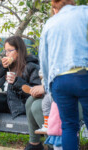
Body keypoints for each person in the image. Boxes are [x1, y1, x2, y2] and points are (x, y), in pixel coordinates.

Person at [39, 0, 88, 149]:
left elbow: (44, 60)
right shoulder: (84, 12)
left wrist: (49, 87)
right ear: (72, 3)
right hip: (83, 75)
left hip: (59, 81)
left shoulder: (49, 24)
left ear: (55, 9)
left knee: (68, 126)